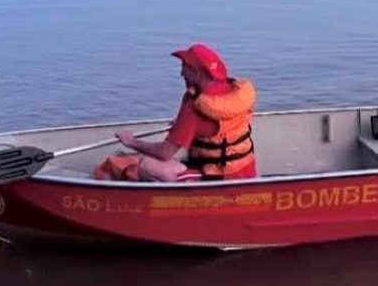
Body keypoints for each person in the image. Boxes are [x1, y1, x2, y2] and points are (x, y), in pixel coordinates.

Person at [92, 43, 258, 182]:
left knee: (147, 165)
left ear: (197, 72)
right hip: (246, 172)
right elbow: (216, 130)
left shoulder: (194, 105)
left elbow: (164, 153)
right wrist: (183, 126)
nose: (181, 73)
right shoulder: (234, 91)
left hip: (216, 178)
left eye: (185, 67)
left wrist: (131, 141)